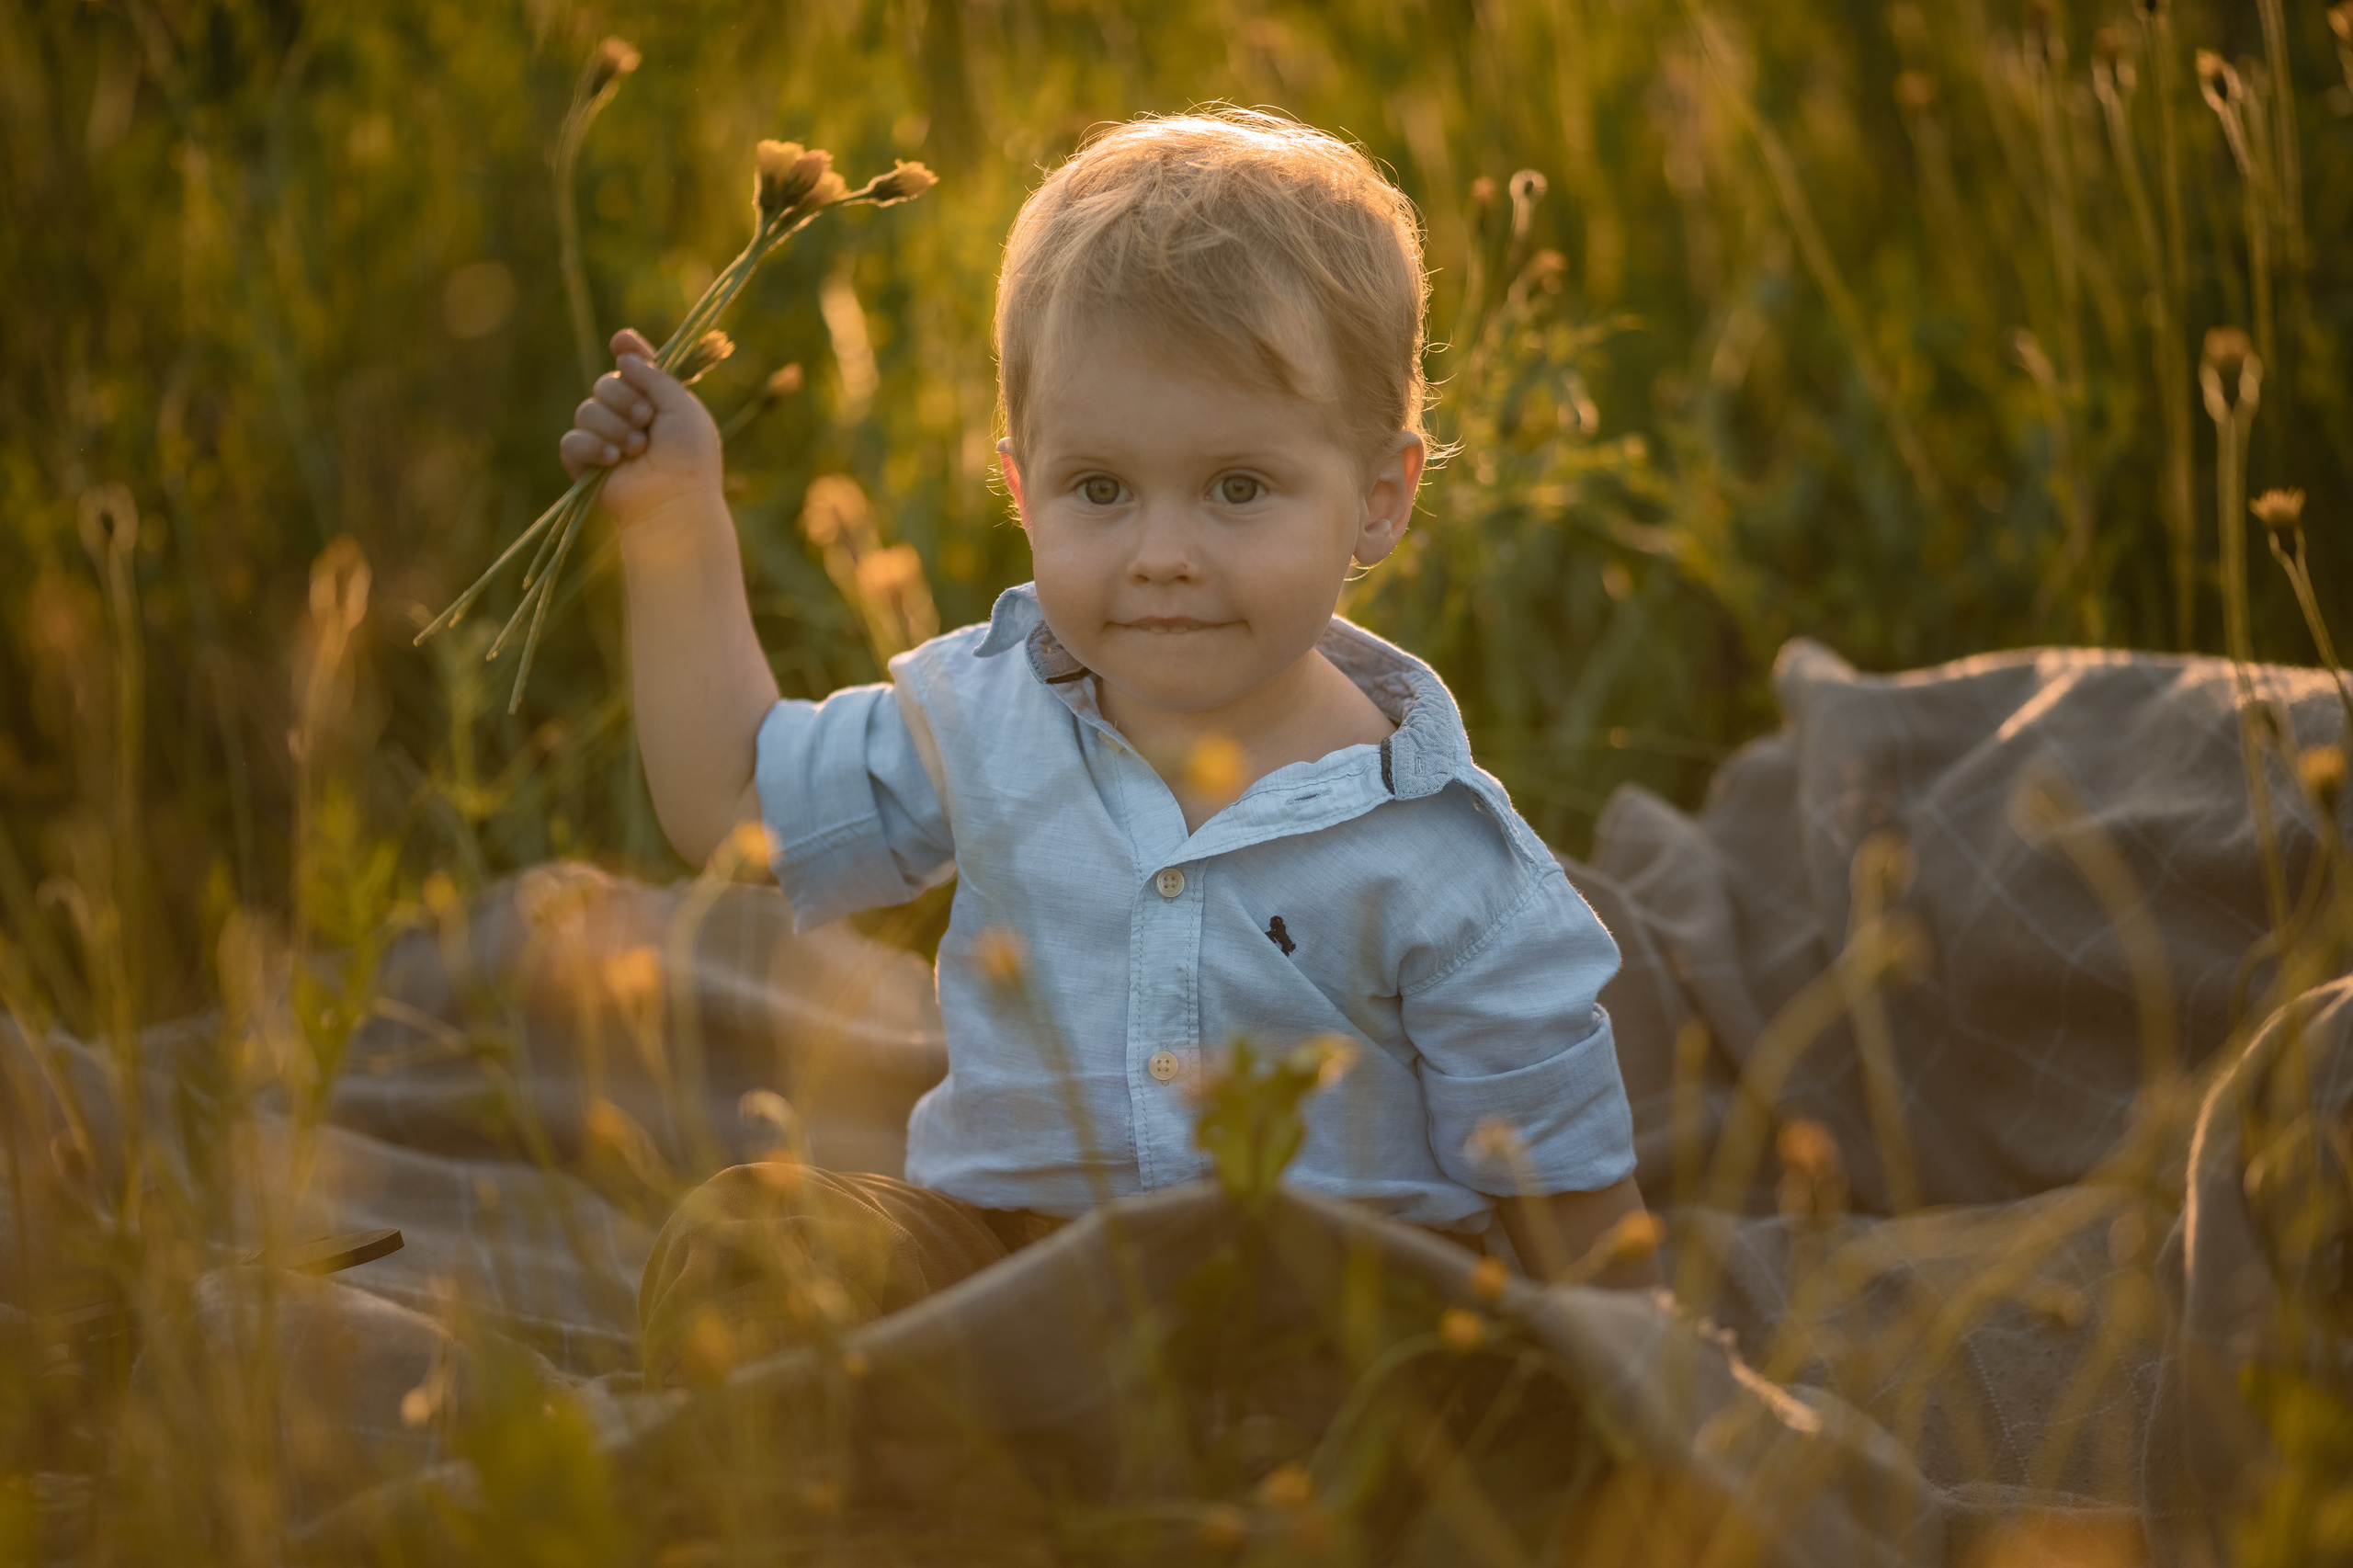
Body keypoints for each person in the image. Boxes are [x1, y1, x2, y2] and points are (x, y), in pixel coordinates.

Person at [559, 108, 1656, 1384]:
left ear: (1379, 498)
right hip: (1005, 1287)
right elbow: (737, 805)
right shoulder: (984, 714)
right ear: (1021, 490)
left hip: (1315, 1327)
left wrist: (1644, 1401)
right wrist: (673, 526)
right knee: (758, 1234)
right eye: (1101, 489)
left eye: (1238, 487)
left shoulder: (1442, 852)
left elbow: (1571, 1208)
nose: (1161, 553)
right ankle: (917, 1448)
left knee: (1454, 1375)